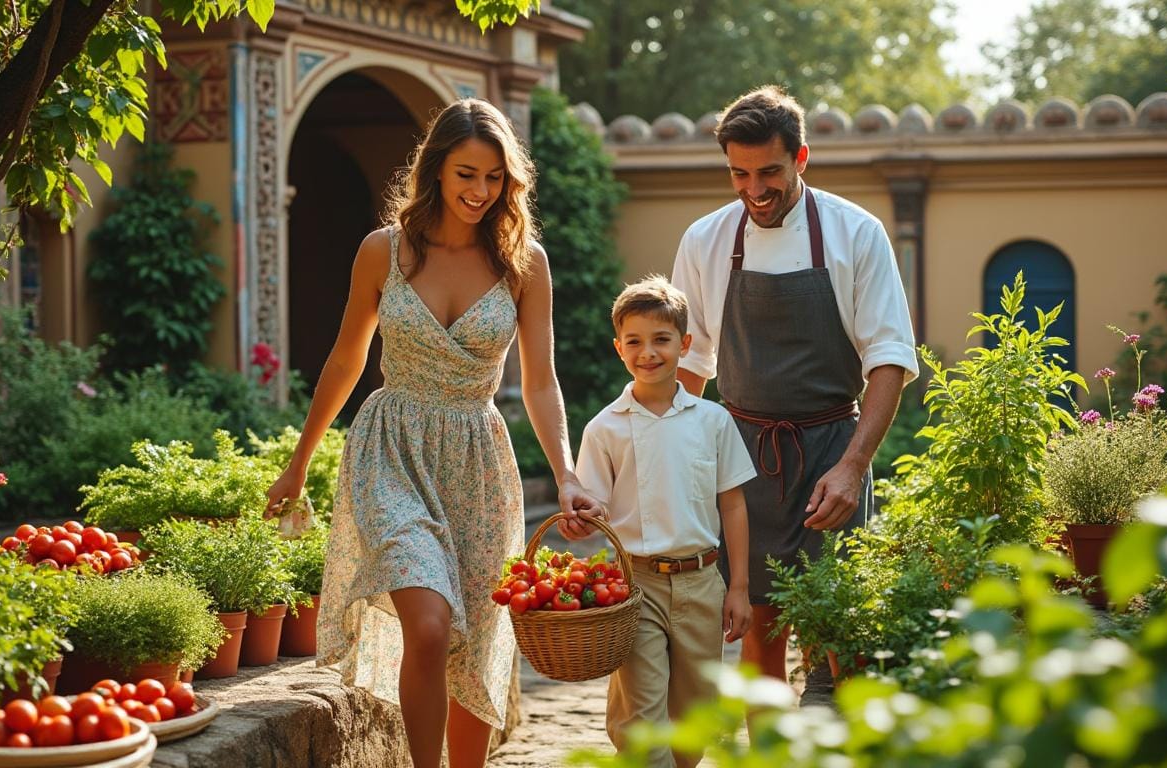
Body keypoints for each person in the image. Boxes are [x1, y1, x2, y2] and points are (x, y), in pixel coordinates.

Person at [263, 99, 604, 768]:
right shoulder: (382, 251)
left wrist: (566, 475)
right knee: (428, 623)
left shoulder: (522, 262)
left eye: (494, 178)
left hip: (479, 459)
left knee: (477, 641)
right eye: (465, 175)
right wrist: (298, 464)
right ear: (434, 171)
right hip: (392, 447)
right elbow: (346, 358)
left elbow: (540, 382)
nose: (480, 192)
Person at [669, 86, 919, 685]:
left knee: (840, 645)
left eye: (770, 172)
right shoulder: (705, 240)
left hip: (831, 454)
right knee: (760, 641)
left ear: (801, 159)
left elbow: (888, 359)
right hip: (742, 462)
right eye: (739, 174)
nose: (754, 190)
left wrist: (854, 466)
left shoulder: (856, 234)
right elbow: (689, 365)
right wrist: (677, 467)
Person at [570, 275, 756, 768]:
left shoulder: (713, 421)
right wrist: (580, 521)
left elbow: (733, 505)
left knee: (695, 720)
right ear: (618, 348)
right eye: (634, 342)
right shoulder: (604, 427)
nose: (647, 352)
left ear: (685, 345)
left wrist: (738, 586)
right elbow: (595, 507)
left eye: (661, 340)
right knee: (641, 719)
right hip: (635, 584)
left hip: (702, 584)